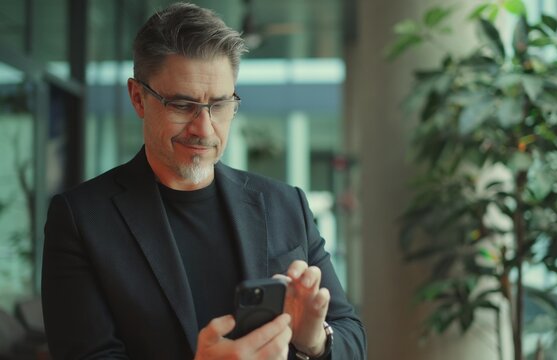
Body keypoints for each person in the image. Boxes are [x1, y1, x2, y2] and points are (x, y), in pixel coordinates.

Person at [41, 2, 366, 359]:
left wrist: (315, 341)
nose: (204, 128)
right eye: (182, 105)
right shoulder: (81, 219)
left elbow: (352, 335)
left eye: (220, 104)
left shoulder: (286, 204)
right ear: (138, 98)